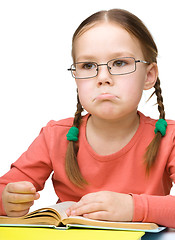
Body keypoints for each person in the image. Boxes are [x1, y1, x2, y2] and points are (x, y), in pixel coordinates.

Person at [0, 9, 175, 228]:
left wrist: (133, 208)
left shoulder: (169, 137)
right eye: (88, 66)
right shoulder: (55, 135)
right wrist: (8, 200)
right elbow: (6, 188)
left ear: (149, 76)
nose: (103, 78)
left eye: (120, 63)